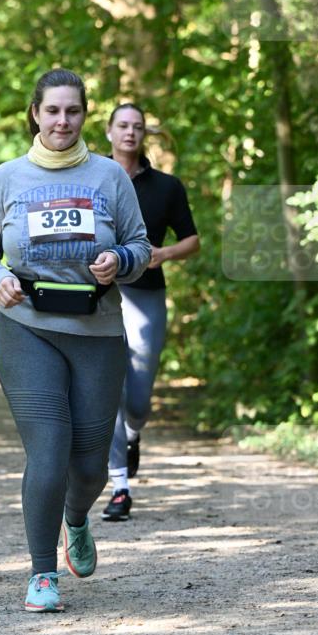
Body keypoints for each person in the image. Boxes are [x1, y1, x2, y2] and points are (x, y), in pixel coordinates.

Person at [0, 68, 150, 613]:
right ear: (35, 114)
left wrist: (119, 260)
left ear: (84, 115)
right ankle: (42, 573)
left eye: (72, 111)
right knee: (48, 451)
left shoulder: (109, 178)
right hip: (27, 329)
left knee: (90, 465)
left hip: (98, 332)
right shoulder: (7, 178)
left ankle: (76, 517)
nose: (62, 121)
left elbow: (141, 248)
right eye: (52, 111)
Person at [102, 103, 199, 521]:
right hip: (99, 297)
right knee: (107, 391)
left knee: (138, 399)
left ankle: (134, 431)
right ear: (108, 132)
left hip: (145, 296)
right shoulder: (91, 178)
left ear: (145, 135)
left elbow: (192, 240)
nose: (129, 133)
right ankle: (119, 487)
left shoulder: (166, 186)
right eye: (122, 126)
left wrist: (164, 253)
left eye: (137, 127)